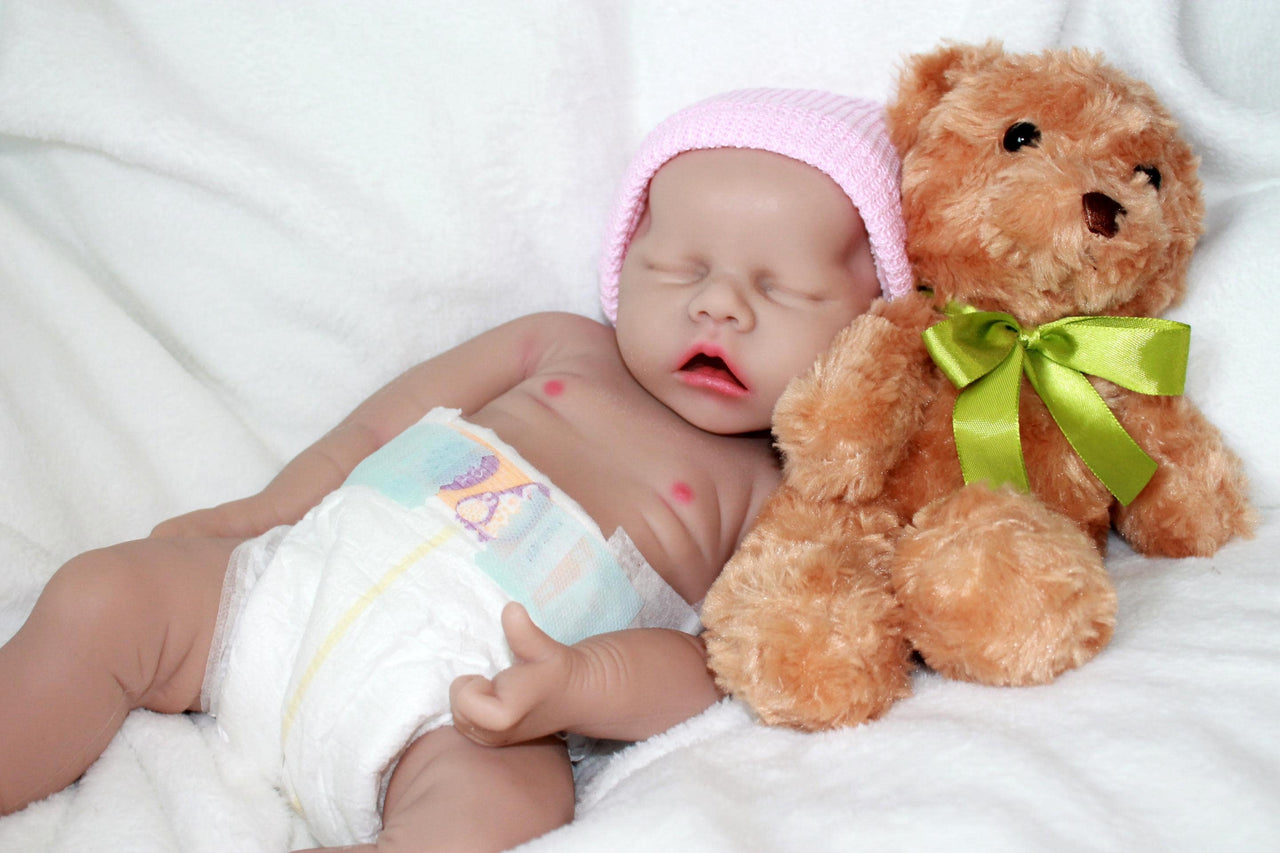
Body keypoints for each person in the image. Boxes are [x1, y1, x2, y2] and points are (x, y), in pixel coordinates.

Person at [0, 88, 912, 852]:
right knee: (101, 596)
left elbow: (712, 668)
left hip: (464, 707)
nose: (718, 305)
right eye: (680, 268)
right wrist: (263, 510)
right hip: (281, 588)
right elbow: (378, 424)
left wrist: (571, 687)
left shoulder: (776, 495)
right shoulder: (560, 345)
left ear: (872, 326)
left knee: (507, 809)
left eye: (782, 288)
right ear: (626, 262)